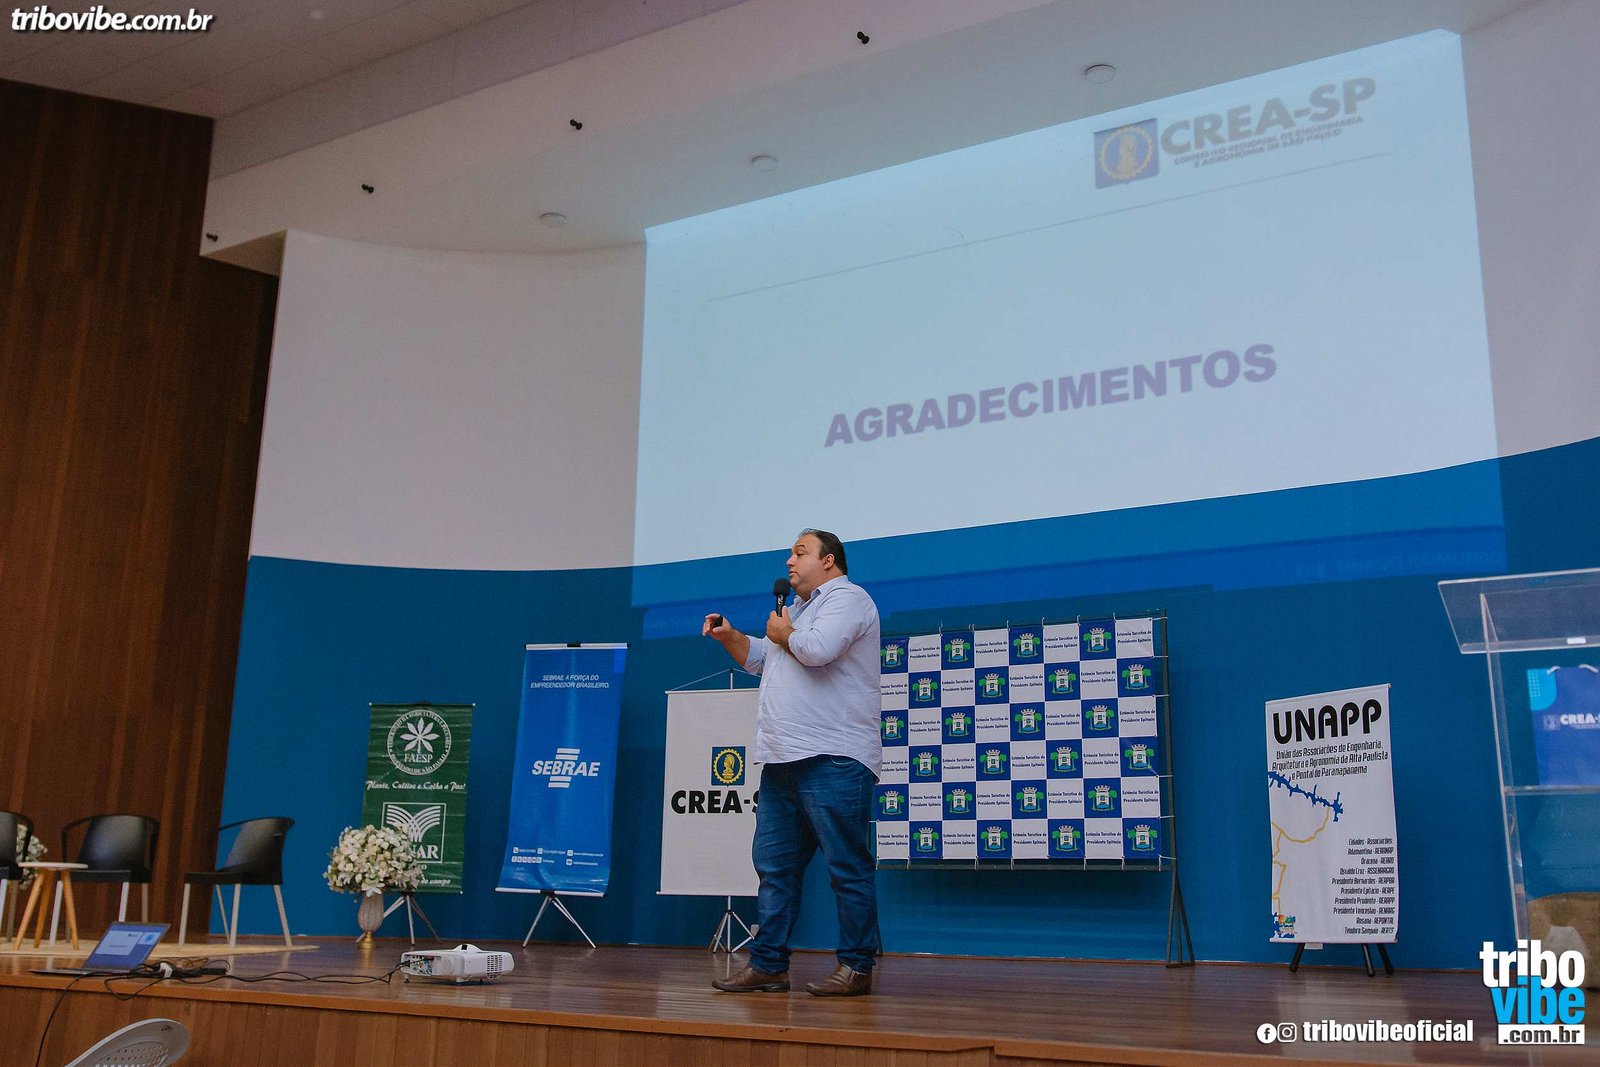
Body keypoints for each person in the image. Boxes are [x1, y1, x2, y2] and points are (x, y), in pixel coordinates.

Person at [702, 529, 882, 996]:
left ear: (829, 561)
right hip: (782, 759)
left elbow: (816, 651)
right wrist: (731, 636)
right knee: (774, 868)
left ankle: (856, 966)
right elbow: (762, 658)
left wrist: (783, 632)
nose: (789, 561)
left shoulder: (849, 599)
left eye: (800, 553)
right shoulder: (796, 611)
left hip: (833, 756)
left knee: (846, 868)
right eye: (789, 553)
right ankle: (769, 965)